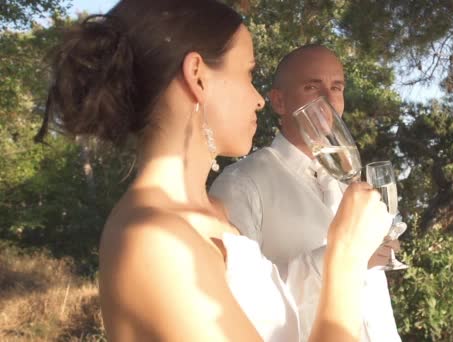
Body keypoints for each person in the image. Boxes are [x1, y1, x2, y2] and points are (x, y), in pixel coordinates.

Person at [38, 0, 394, 341]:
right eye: (248, 73)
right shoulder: (151, 238)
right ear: (198, 76)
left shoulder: (213, 217)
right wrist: (345, 257)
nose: (258, 98)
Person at [210, 44, 402, 341]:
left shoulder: (347, 183)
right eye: (312, 87)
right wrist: (342, 255)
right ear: (279, 101)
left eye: (336, 87)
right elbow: (240, 300)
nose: (328, 99)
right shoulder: (241, 184)